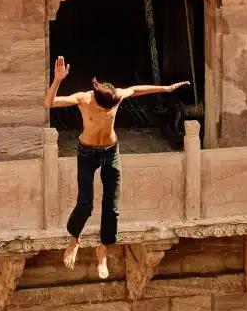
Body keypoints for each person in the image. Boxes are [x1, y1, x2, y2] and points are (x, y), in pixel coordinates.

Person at [44, 55, 190, 280]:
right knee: (85, 204)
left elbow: (136, 90)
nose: (107, 112)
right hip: (87, 154)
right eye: (105, 110)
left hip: (111, 153)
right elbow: (49, 103)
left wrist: (166, 88)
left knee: (112, 207)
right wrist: (58, 80)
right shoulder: (84, 99)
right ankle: (74, 240)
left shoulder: (116, 96)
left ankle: (103, 250)